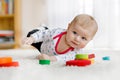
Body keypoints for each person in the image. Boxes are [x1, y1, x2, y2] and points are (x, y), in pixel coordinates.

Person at [22, 14, 98, 62]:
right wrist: (32, 38)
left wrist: (49, 58)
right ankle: (43, 28)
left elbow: (64, 58)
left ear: (90, 40)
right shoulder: (57, 33)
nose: (77, 39)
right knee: (31, 34)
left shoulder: (76, 52)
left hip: (44, 51)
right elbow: (44, 35)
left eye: (83, 38)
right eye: (74, 33)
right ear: (68, 27)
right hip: (44, 41)